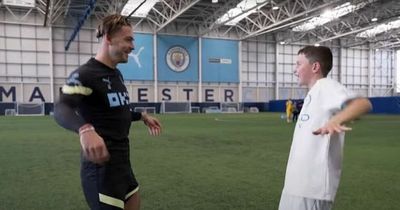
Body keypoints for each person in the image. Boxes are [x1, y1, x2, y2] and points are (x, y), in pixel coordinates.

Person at [54, 14, 162, 210]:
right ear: (109, 38)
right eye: (128, 39)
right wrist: (84, 130)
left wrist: (142, 116)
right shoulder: (85, 75)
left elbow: (116, 111)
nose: (133, 46)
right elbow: (62, 108)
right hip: (100, 170)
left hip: (123, 166)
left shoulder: (116, 74)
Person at [278, 46, 372, 210]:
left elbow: (362, 104)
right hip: (297, 185)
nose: (295, 69)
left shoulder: (325, 86)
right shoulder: (314, 93)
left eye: (299, 64)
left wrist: (336, 119)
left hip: (312, 188)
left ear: (315, 67)